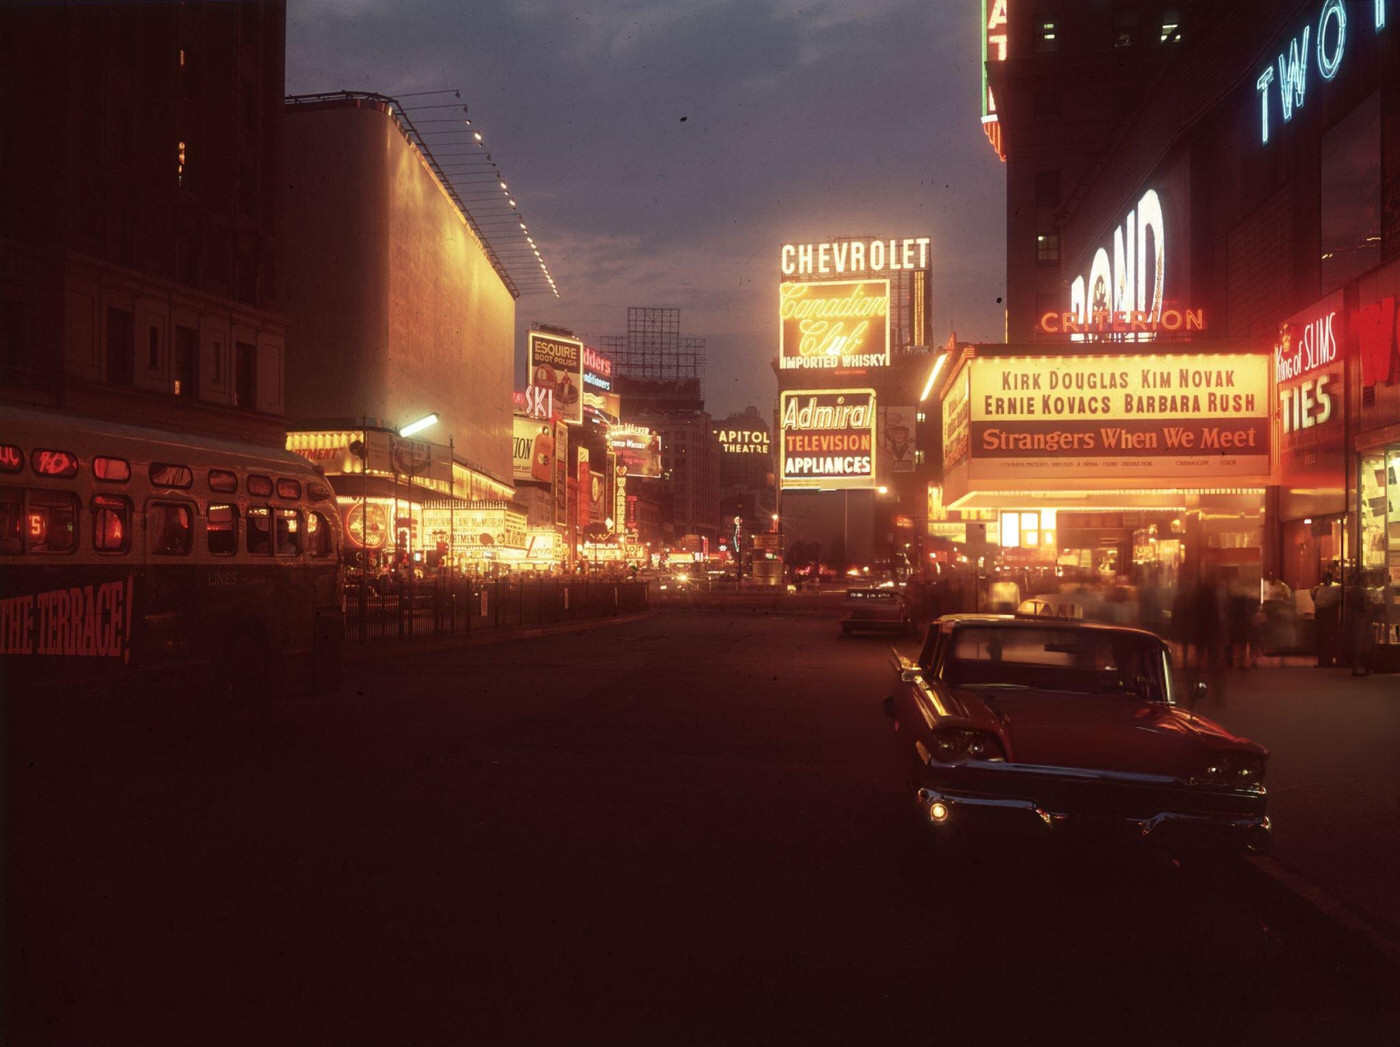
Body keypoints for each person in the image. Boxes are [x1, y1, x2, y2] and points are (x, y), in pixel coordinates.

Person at [1311, 568, 1342, 667]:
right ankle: (1323, 660)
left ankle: (1326, 660)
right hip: (1324, 616)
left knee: (1326, 639)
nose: (1326, 580)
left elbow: (1318, 601)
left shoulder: (1334, 589)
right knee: (1322, 639)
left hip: (1327, 617)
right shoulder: (1321, 588)